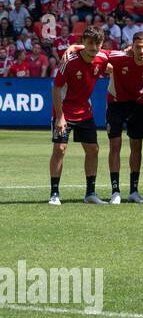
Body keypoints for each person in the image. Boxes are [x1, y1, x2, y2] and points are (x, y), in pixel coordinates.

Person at [104, 31, 143, 204]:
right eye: (138, 47)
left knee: (136, 146)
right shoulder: (118, 57)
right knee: (115, 145)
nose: (142, 51)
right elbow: (95, 51)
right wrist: (74, 46)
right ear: (132, 47)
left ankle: (133, 190)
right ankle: (115, 191)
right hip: (116, 104)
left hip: (139, 105)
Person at [49, 28, 109, 205]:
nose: (94, 47)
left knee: (93, 149)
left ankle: (90, 193)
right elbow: (56, 88)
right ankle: (54, 194)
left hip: (85, 112)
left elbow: (119, 58)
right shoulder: (69, 61)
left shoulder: (103, 58)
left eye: (97, 44)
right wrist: (59, 117)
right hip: (64, 112)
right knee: (59, 150)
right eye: (90, 43)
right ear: (84, 42)